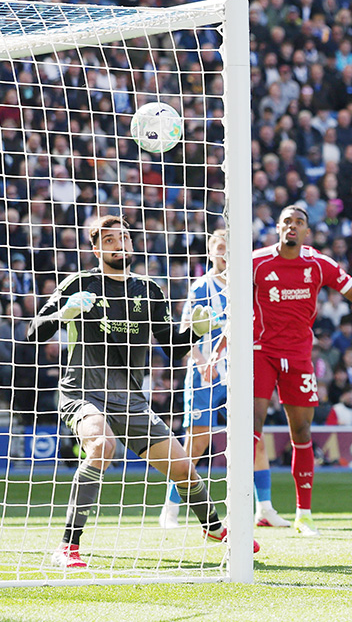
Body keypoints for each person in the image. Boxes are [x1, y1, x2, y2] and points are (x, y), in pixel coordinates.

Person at [26, 215, 258, 569]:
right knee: (102, 447)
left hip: (130, 398)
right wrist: (63, 313)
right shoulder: (79, 283)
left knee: (183, 468)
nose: (121, 244)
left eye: (125, 237)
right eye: (110, 240)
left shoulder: (148, 290)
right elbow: (33, 332)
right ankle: (67, 547)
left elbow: (173, 348)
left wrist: (196, 331)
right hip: (84, 392)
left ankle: (212, 528)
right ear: (95, 248)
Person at [233, 205, 352, 536]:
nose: (292, 227)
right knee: (251, 427)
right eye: (286, 222)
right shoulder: (256, 262)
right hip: (261, 352)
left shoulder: (318, 264)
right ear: (277, 228)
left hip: (297, 356)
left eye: (298, 223)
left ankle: (304, 514)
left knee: (303, 433)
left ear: (307, 231)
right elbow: (231, 300)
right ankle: (240, 508)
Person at [158, 230, 289, 530]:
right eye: (219, 248)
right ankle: (170, 509)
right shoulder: (201, 287)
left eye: (229, 248)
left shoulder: (248, 287)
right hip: (206, 373)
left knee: (252, 437)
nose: (225, 253)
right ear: (210, 253)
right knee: (197, 442)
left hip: (240, 372)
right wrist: (203, 362)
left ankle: (265, 508)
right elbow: (185, 332)